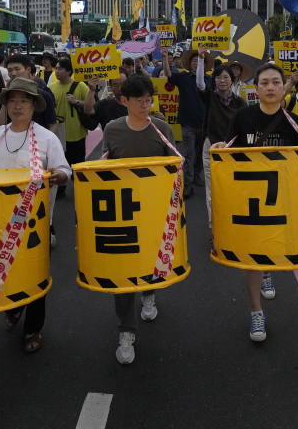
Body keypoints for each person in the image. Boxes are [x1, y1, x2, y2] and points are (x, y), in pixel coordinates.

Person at [0, 77, 71, 353]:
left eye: (24, 101)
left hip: (35, 223)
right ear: (6, 105)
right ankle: (15, 307)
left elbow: (66, 170)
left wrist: (59, 175)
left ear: (34, 106)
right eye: (13, 101)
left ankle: (33, 327)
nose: (18, 106)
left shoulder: (47, 138)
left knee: (35, 276)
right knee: (5, 270)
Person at [222, 63, 298, 342]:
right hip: (249, 201)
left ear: (283, 87)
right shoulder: (242, 117)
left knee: (271, 246)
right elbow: (229, 154)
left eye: (275, 82)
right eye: (265, 83)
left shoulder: (295, 122)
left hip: (281, 200)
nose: (270, 87)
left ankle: (268, 270)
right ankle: (256, 312)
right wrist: (218, 150)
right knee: (252, 260)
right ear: (256, 88)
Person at [102, 74, 178, 364]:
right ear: (124, 101)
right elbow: (105, 166)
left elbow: (175, 166)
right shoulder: (112, 129)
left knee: (150, 259)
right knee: (122, 268)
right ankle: (126, 330)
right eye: (140, 101)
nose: (146, 105)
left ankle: (149, 293)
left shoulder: (161, 129)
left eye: (149, 100)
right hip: (121, 212)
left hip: (155, 210)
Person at [200, 64, 246, 228]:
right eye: (218, 77)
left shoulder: (240, 103)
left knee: (232, 189)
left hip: (232, 150)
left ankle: (231, 225)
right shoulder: (210, 97)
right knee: (212, 190)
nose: (222, 81)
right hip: (211, 148)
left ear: (233, 80)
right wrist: (200, 59)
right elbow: (199, 83)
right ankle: (214, 227)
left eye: (226, 77)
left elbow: (244, 127)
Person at [162, 44, 210, 198]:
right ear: (189, 64)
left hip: (205, 123)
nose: (196, 63)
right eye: (194, 61)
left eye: (198, 60)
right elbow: (169, 74)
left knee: (201, 153)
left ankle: (196, 175)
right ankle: (188, 183)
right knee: (189, 154)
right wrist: (164, 57)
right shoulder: (182, 77)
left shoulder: (209, 80)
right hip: (187, 123)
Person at [48, 57, 90, 176]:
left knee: (78, 165)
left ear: (68, 71)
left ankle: (78, 186)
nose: (56, 71)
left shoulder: (80, 86)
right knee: (59, 163)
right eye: (55, 68)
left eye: (60, 69)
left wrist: (76, 101)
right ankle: (61, 188)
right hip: (58, 133)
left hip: (77, 132)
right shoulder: (51, 87)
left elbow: (91, 105)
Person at [0, 55, 56, 131]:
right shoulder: (5, 94)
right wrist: (5, 102)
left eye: (17, 69)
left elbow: (52, 125)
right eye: (10, 70)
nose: (13, 73)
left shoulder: (44, 94)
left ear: (28, 70)